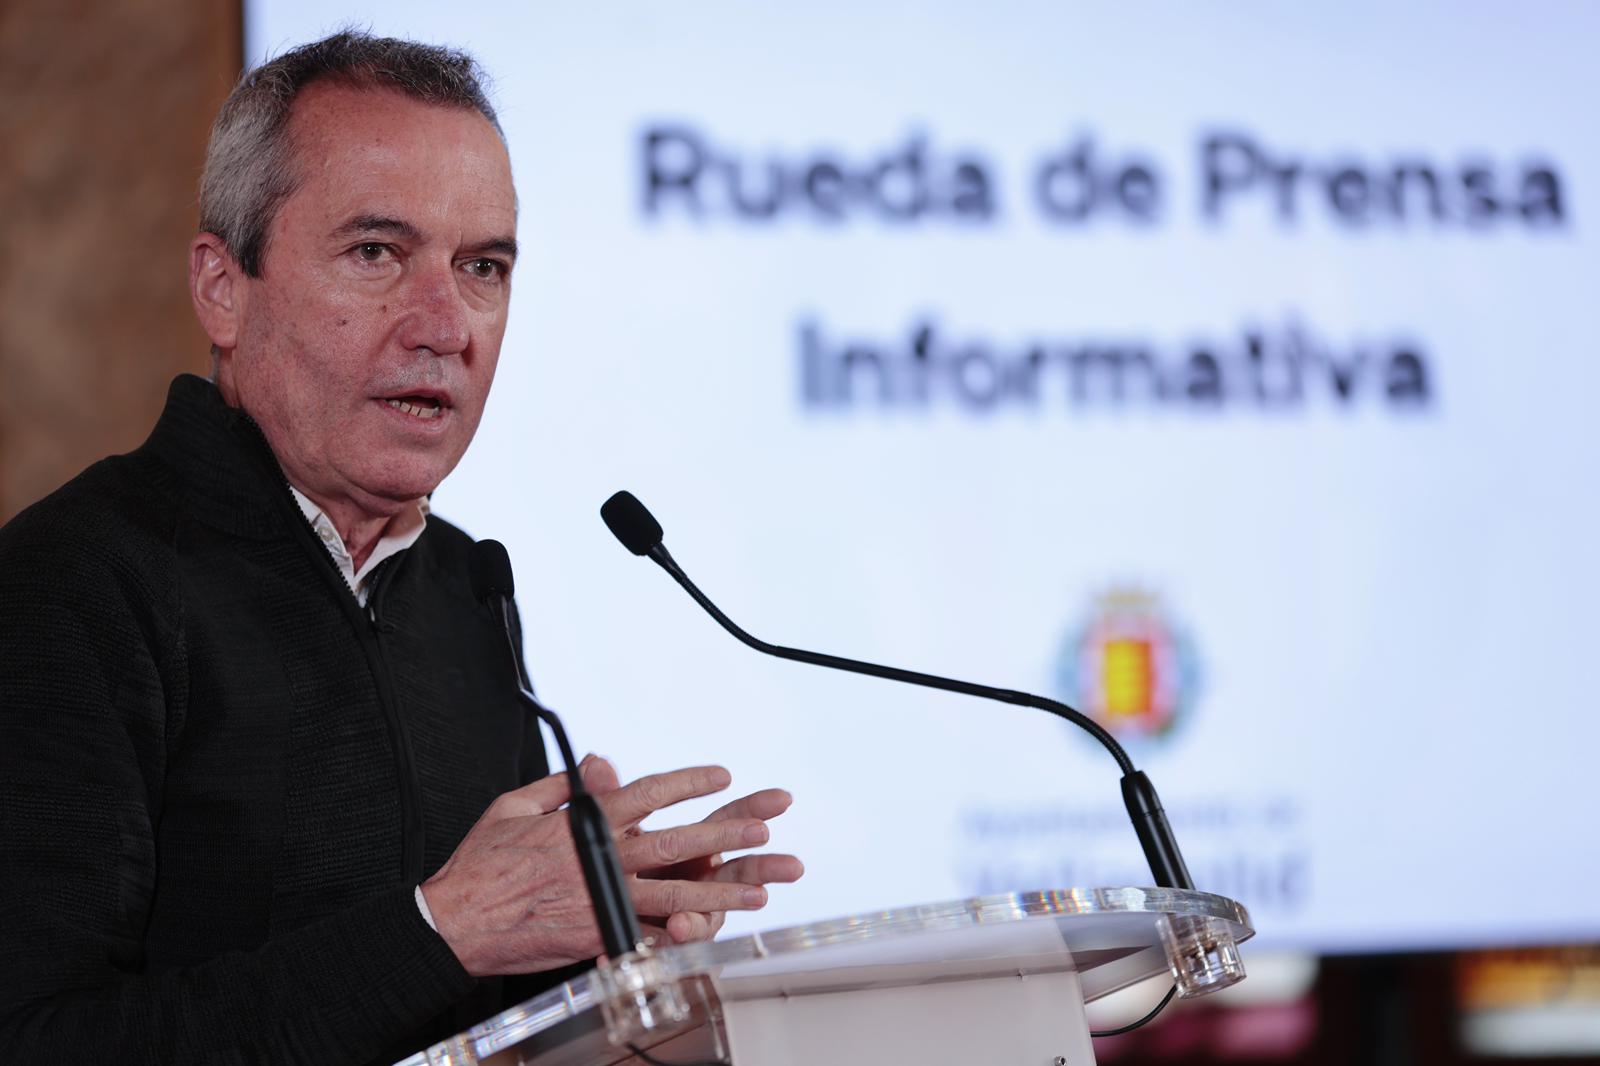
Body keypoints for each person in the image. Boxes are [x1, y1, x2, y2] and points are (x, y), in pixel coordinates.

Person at [0, 32, 802, 1066]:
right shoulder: (72, 587)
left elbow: (454, 1009)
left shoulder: (463, 587)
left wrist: (598, 950)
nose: (444, 325)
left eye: (482, 268)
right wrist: (446, 928)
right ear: (222, 288)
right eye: (376, 253)